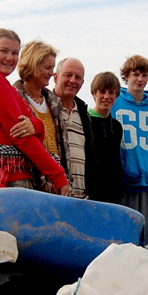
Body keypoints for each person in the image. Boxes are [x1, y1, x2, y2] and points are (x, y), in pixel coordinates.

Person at [0, 29, 69, 216]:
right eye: (4, 51)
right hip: (10, 179)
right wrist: (58, 176)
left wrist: (37, 127)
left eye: (15, 53)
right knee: (20, 242)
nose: (10, 58)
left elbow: (30, 124)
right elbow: (21, 136)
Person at [111, 55, 148, 243]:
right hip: (123, 188)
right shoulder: (114, 104)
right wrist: (122, 169)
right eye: (135, 74)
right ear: (126, 76)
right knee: (123, 242)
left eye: (144, 75)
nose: (140, 79)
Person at [13, 40, 68, 184]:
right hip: (30, 179)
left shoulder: (54, 102)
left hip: (56, 179)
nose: (52, 73)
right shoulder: (14, 97)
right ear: (33, 65)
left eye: (53, 68)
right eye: (48, 67)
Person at [52, 58, 95, 199]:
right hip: (55, 196)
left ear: (82, 83)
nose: (72, 81)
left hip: (83, 199)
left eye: (78, 77)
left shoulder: (84, 116)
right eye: (68, 75)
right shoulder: (45, 108)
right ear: (56, 77)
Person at [86, 72, 125, 203]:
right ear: (94, 94)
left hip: (115, 193)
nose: (106, 97)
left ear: (116, 95)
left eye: (111, 92)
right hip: (93, 194)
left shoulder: (117, 126)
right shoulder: (86, 122)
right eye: (102, 92)